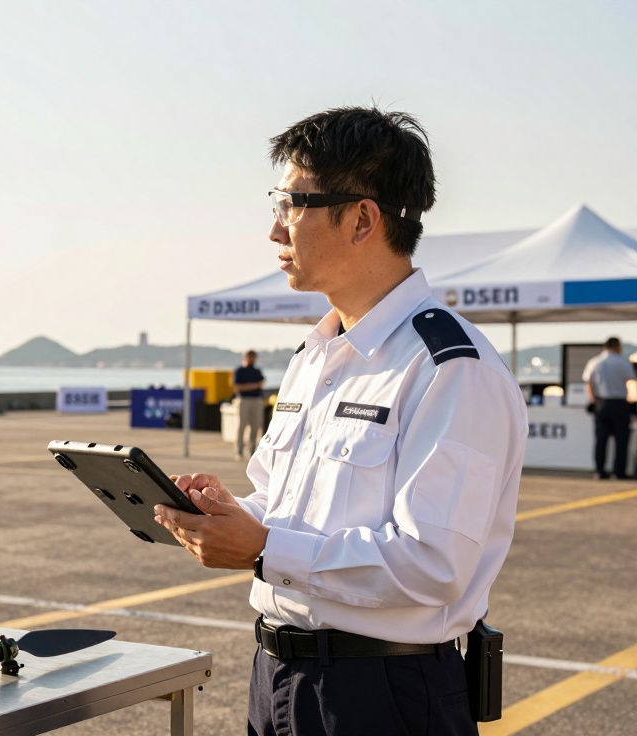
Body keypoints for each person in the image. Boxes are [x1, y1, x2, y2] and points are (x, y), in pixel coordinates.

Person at [153, 107, 527, 735]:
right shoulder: (315, 356)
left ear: (360, 219)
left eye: (291, 205)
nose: (276, 230)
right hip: (276, 676)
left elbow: (432, 564)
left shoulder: (449, 369)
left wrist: (265, 547)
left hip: (382, 693)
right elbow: (280, 501)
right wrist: (230, 516)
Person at [582, 336, 635, 479]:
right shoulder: (623, 362)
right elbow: (632, 383)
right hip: (620, 404)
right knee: (622, 440)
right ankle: (620, 472)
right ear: (617, 346)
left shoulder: (595, 362)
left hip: (602, 403)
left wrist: (593, 401)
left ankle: (599, 471)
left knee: (601, 440)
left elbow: (588, 383)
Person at [233, 350, 266, 458]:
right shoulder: (240, 370)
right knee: (241, 425)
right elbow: (237, 386)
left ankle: (252, 450)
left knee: (255, 426)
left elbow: (261, 384)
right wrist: (254, 385)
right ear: (245, 357)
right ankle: (239, 449)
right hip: (244, 400)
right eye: (250, 356)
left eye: (253, 357)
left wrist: (251, 386)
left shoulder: (257, 371)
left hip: (256, 400)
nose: (252, 358)